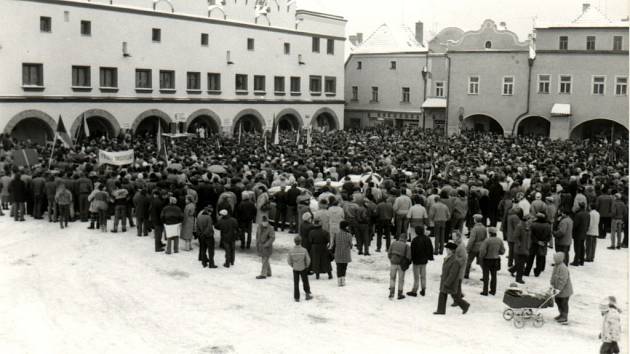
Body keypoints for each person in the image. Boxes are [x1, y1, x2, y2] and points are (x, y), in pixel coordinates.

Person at [434, 242, 470, 315]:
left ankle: (465, 305)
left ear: (451, 250)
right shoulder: (448, 258)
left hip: (451, 282)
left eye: (447, 249)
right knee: (444, 294)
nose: (446, 250)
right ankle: (441, 310)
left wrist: (447, 282)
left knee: (455, 296)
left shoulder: (455, 261)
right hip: (446, 280)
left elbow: (453, 274)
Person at [407, 225, 433, 297]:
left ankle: (414, 291)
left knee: (416, 277)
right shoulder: (427, 239)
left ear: (416, 232)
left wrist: (410, 260)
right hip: (424, 261)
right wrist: (430, 257)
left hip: (416, 261)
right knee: (423, 276)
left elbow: (412, 251)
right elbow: (430, 249)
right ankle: (423, 289)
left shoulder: (415, 240)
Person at [478, 227, 504, 296]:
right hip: (495, 260)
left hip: (487, 260)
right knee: (494, 276)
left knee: (486, 276)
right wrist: (497, 253)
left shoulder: (487, 241)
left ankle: (485, 291)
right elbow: (502, 251)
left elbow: (482, 251)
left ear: (489, 233)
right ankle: (493, 290)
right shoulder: (499, 240)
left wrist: (482, 256)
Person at [287, 235, 312, 302]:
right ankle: (307, 294)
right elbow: (308, 260)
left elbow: (289, 261)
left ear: (294, 242)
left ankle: (297, 297)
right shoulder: (304, 250)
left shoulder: (291, 251)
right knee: (305, 281)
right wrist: (306, 265)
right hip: (303, 268)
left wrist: (293, 265)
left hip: (295, 269)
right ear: (301, 241)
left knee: (296, 283)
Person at [525, 212, 551, 277]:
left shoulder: (533, 225)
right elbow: (549, 236)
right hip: (543, 245)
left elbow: (532, 235)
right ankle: (537, 272)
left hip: (534, 244)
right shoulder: (548, 226)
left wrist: (537, 241)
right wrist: (544, 242)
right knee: (540, 258)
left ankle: (527, 271)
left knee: (530, 258)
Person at [550, 252, 573, 324]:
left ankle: (564, 316)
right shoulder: (556, 266)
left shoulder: (563, 268)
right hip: (558, 290)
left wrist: (559, 289)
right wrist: (552, 284)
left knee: (564, 303)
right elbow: (553, 276)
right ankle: (561, 314)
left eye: (555, 258)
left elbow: (563, 280)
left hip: (565, 290)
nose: (554, 259)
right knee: (558, 301)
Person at [387, 233, 411, 299]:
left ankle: (391, 293)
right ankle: (399, 294)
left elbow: (389, 253)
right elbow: (409, 257)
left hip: (393, 263)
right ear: (406, 239)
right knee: (401, 279)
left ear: (400, 237)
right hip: (401, 265)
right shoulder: (407, 246)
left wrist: (391, 259)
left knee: (392, 278)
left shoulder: (393, 243)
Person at [509, 214, 531, 284]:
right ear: (527, 220)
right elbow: (515, 236)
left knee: (521, 263)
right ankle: (519, 279)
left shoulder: (527, 226)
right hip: (520, 249)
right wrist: (519, 244)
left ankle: (512, 270)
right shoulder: (520, 226)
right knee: (521, 265)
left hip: (525, 248)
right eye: (530, 219)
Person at [464, 214, 486, 279]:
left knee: (468, 261)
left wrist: (467, 248)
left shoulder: (474, 229)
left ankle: (466, 274)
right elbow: (485, 238)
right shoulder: (484, 228)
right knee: (482, 262)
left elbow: (471, 240)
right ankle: (485, 275)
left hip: (474, 248)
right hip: (481, 247)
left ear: (475, 220)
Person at [332, 220, 353, 287]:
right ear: (346, 227)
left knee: (338, 267)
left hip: (337, 253)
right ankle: (343, 280)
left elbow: (334, 243)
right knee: (344, 267)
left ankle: (339, 280)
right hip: (345, 253)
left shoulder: (336, 234)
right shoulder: (349, 235)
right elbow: (351, 245)